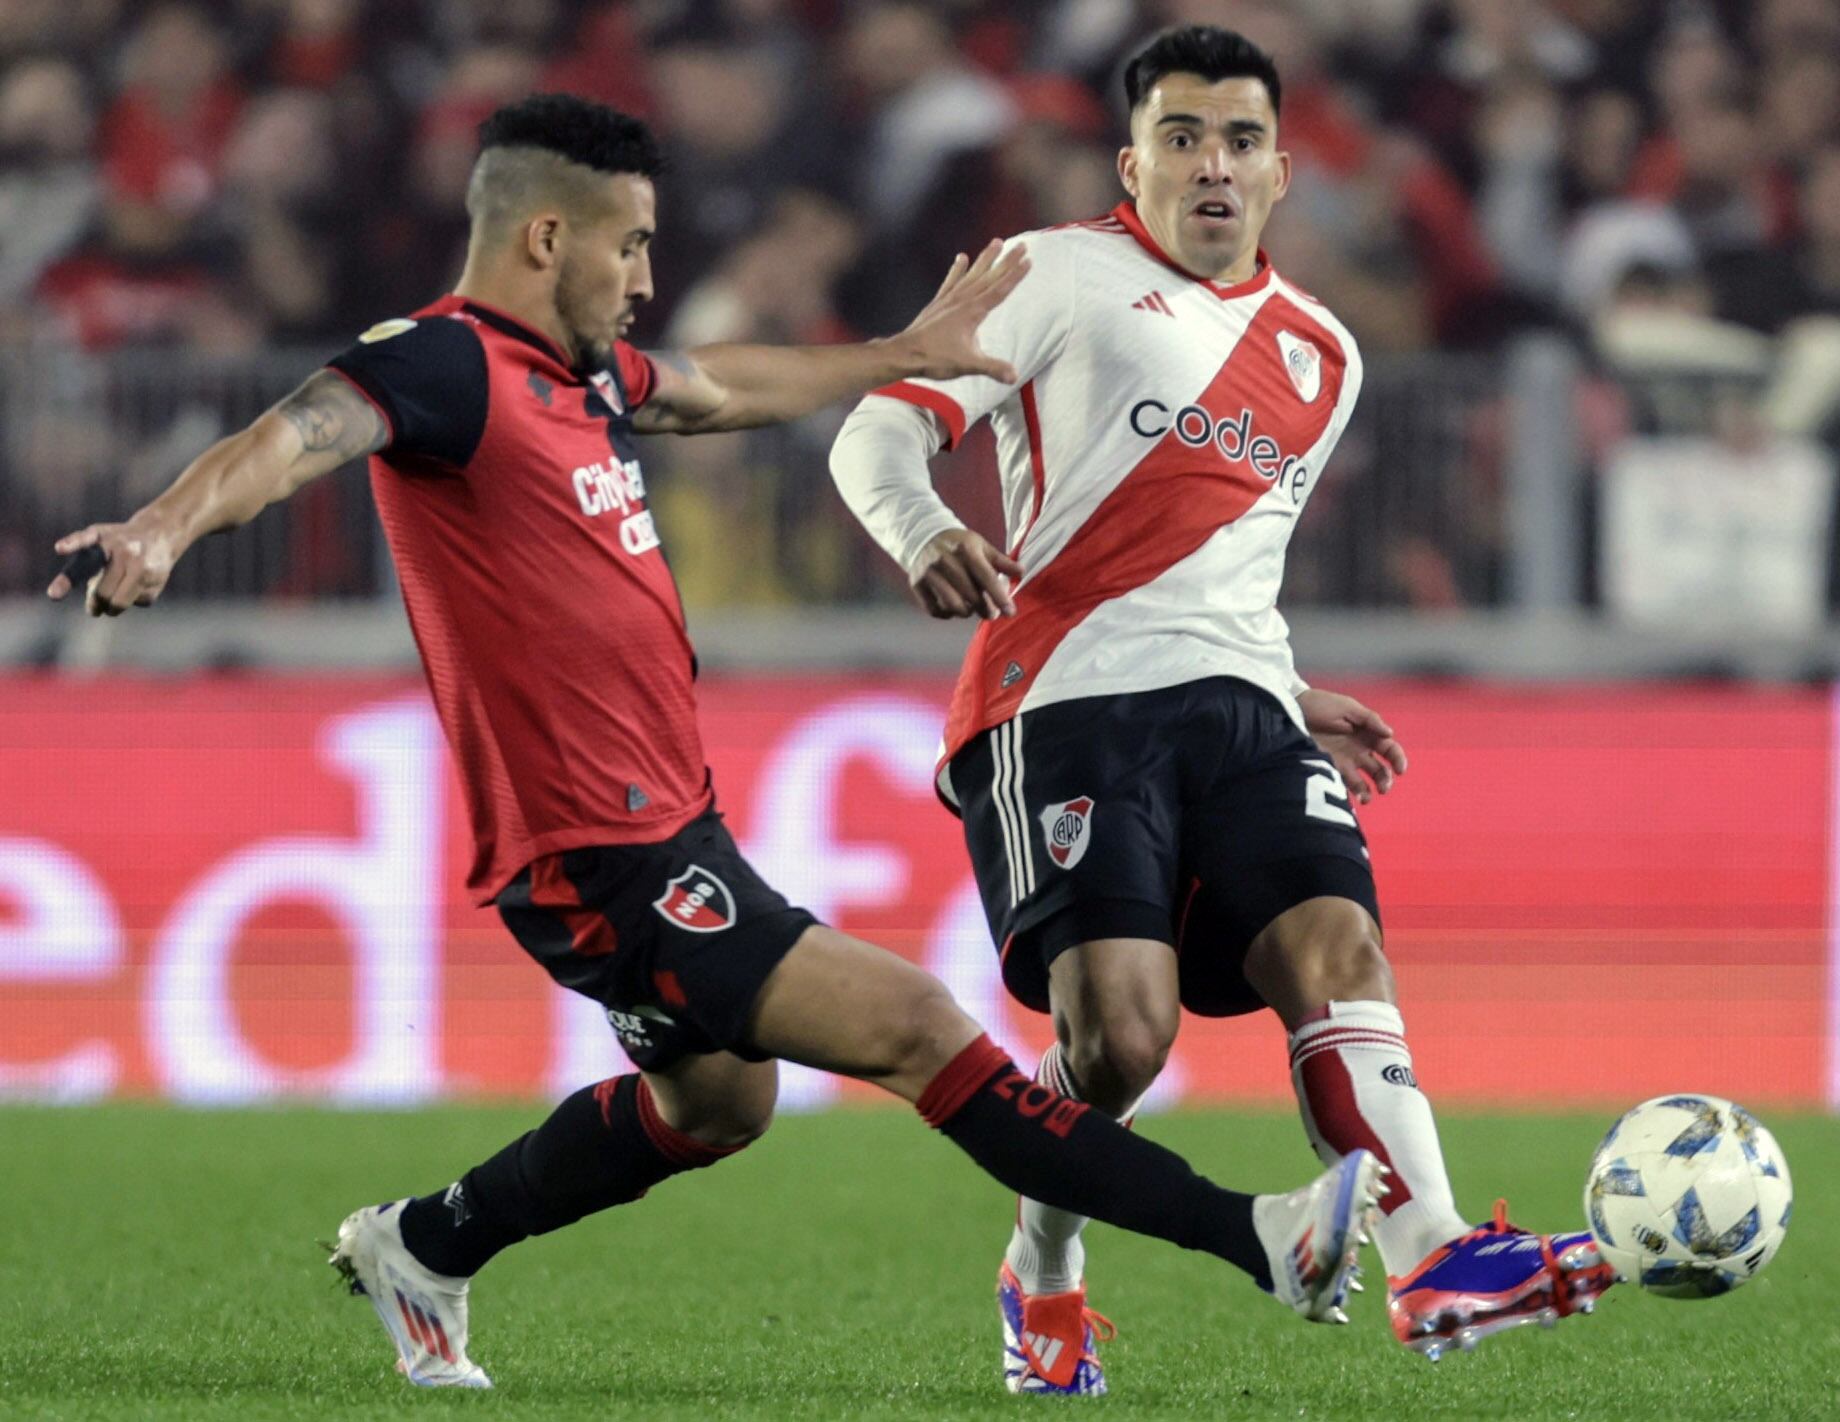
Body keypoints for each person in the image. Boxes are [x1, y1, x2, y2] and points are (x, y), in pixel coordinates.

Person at [44, 93, 1384, 1392]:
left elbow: (716, 389)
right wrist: (160, 531)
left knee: (717, 1103)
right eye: (628, 245)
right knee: (924, 1028)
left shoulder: (578, 378)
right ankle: (1257, 1236)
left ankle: (425, 1242)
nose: (644, 277)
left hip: (665, 826)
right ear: (544, 239)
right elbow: (289, 437)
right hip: (598, 854)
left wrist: (898, 351)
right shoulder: (444, 362)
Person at [827, 25, 1611, 1393]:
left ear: (1284, 171)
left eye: (1239, 140)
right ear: (1131, 161)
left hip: (1244, 705)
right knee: (1118, 1039)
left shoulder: (1325, 355)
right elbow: (874, 431)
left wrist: (1291, 689)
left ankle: (1431, 1258)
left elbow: (1217, 565)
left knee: (1338, 946)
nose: (1211, 164)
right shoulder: (1053, 275)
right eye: (1180, 136)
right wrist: (912, 530)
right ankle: (1045, 1267)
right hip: (1062, 696)